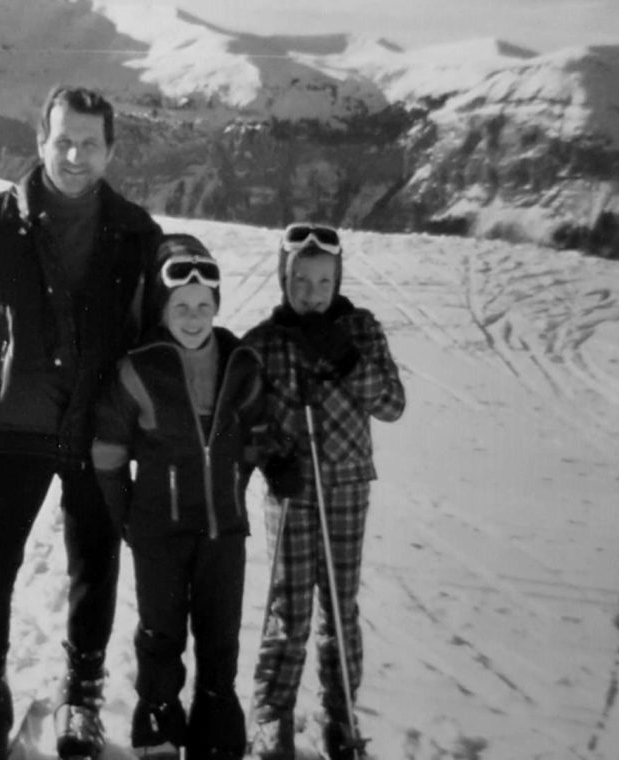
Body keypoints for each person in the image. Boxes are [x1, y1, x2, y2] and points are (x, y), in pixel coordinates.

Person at [0, 84, 162, 760]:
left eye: (91, 143)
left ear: (111, 150)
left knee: (95, 566)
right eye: (63, 139)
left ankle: (82, 698)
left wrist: (154, 435)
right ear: (39, 140)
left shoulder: (136, 233)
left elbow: (152, 343)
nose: (75, 155)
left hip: (101, 430)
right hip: (14, 427)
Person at [91, 234, 264, 760]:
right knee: (161, 631)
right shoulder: (139, 369)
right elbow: (108, 451)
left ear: (217, 307)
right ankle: (161, 722)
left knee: (220, 633)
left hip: (223, 533)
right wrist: (128, 515)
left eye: (203, 306)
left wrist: (246, 478)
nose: (193, 317)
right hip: (158, 531)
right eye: (181, 307)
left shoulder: (241, 365)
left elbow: (256, 437)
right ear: (163, 310)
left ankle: (215, 721)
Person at [241, 223, 405, 760]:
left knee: (339, 603)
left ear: (338, 280)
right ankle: (272, 713)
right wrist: (270, 455)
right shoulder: (264, 342)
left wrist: (346, 359)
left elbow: (391, 404)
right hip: (291, 490)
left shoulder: (360, 332)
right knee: (289, 608)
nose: (312, 293)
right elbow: (244, 419)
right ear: (282, 277)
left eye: (322, 281)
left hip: (346, 483)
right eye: (301, 280)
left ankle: (341, 711)